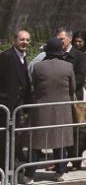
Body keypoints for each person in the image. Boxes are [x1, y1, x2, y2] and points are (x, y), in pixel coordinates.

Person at [25, 37, 76, 183]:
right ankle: (60, 173)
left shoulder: (38, 67)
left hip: (41, 107)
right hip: (62, 109)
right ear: (61, 51)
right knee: (60, 141)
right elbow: (72, 88)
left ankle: (29, 175)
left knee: (36, 142)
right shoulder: (68, 67)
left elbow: (34, 84)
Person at [0, 30, 32, 181]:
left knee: (12, 140)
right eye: (22, 40)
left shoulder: (22, 58)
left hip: (17, 107)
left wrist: (27, 105)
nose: (24, 42)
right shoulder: (6, 56)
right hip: (6, 107)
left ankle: (9, 169)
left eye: (27, 40)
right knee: (4, 140)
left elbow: (24, 81)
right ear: (15, 40)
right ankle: (4, 171)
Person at [56, 28, 86, 169]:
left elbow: (82, 76)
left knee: (75, 132)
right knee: (59, 131)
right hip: (58, 98)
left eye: (61, 39)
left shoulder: (79, 56)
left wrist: (67, 85)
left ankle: (75, 161)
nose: (59, 42)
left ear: (69, 39)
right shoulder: (54, 54)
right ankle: (60, 161)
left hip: (73, 97)